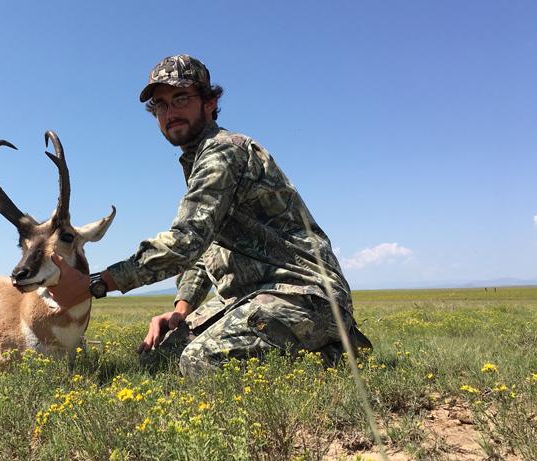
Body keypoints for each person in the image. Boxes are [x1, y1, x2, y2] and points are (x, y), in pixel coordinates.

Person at [49, 54, 371, 378]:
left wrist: (94, 284)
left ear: (210, 102)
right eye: (160, 105)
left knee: (199, 361)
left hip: (302, 293)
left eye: (181, 99)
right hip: (252, 296)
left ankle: (332, 357)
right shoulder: (199, 161)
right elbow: (205, 253)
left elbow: (186, 243)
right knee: (159, 356)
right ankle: (321, 348)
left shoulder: (223, 152)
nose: (170, 112)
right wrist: (181, 309)